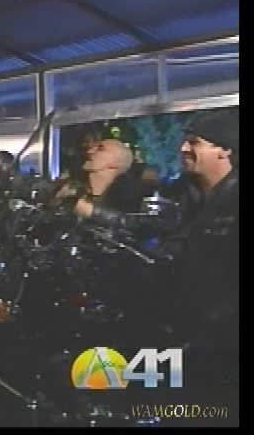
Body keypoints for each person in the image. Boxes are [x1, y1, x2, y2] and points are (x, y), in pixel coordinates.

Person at [66, 109, 239, 416]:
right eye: (185, 140)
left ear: (224, 149)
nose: (183, 148)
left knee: (203, 409)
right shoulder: (180, 193)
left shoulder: (231, 200)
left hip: (217, 339)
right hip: (176, 323)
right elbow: (142, 228)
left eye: (195, 142)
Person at [52, 138, 144, 216]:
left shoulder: (123, 203)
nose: (90, 151)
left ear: (117, 163)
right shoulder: (69, 186)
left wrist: (78, 205)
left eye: (100, 148)